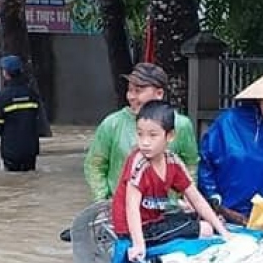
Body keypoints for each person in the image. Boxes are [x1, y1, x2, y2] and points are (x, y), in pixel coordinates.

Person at [114, 100, 229, 263]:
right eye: (140, 134)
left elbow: (195, 198)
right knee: (206, 229)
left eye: (153, 135)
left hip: (155, 220)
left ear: (170, 136)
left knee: (197, 217)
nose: (145, 142)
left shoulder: (172, 162)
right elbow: (131, 207)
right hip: (137, 228)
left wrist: (224, 232)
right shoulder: (139, 164)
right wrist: (139, 245)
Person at [197, 67, 263, 224]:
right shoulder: (228, 120)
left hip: (261, 217)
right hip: (222, 213)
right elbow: (206, 161)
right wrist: (212, 196)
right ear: (259, 96)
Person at [83, 62, 198, 202]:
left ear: (159, 93)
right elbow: (95, 165)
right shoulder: (112, 124)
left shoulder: (181, 125)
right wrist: (103, 200)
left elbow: (191, 163)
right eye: (129, 90)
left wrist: (187, 198)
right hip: (123, 207)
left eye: (138, 91)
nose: (131, 96)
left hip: (168, 210)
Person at [0, 55, 43, 172]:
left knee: (12, 184)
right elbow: (37, 119)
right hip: (30, 150)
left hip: (11, 151)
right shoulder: (32, 94)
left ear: (6, 73)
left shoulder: (1, 98)